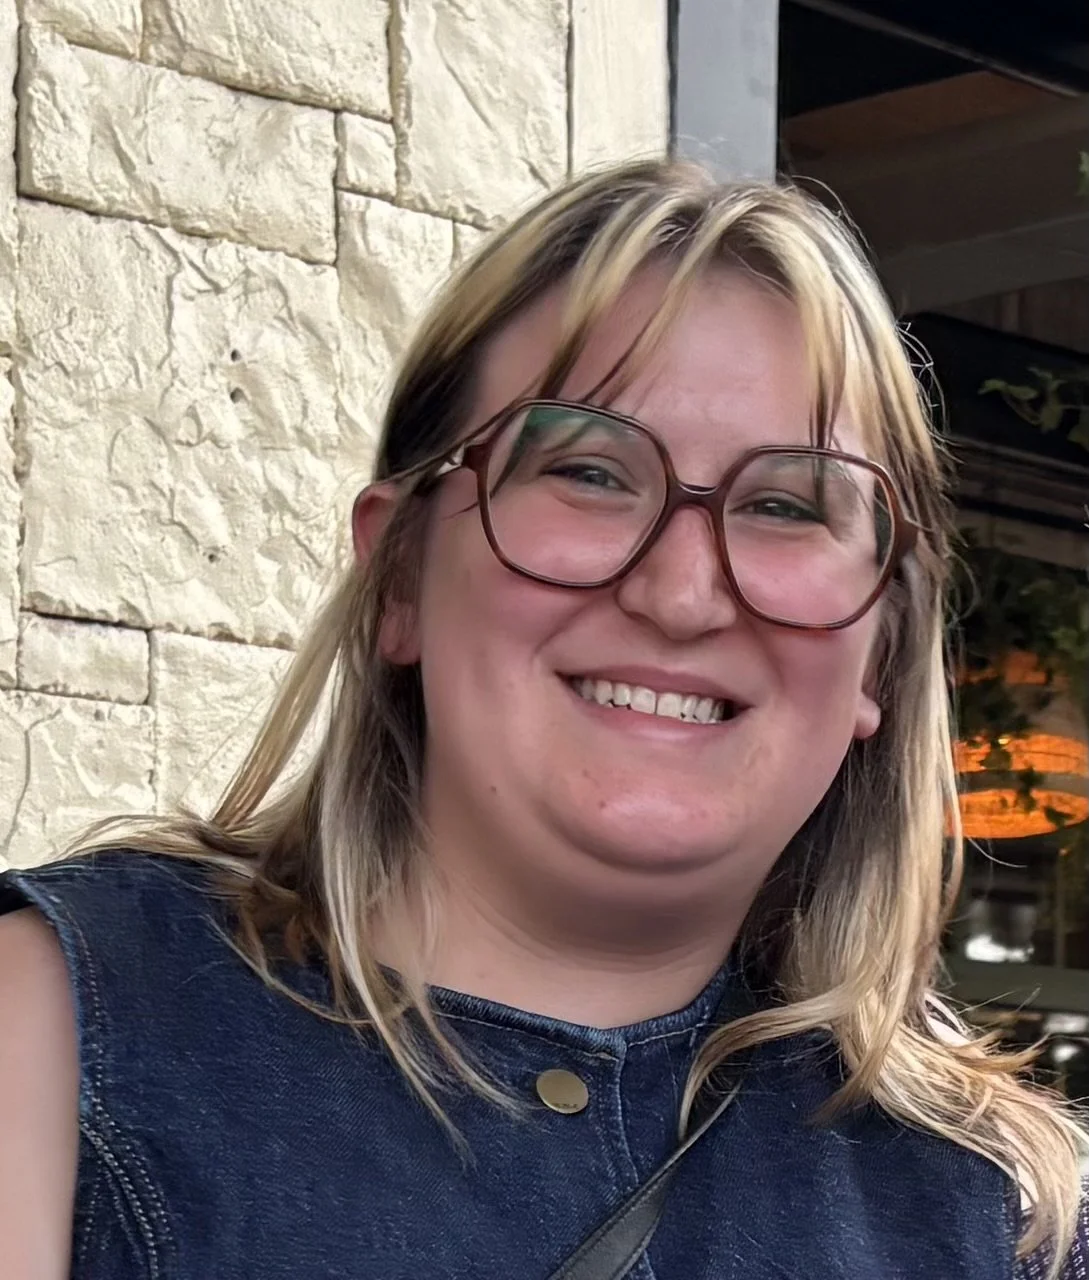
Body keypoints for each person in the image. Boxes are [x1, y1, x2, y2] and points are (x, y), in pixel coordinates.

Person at [0, 159, 1085, 1280]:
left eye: (783, 504)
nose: (682, 593)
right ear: (401, 573)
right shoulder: (50, 1034)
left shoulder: (998, 1209)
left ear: (882, 654)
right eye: (590, 472)